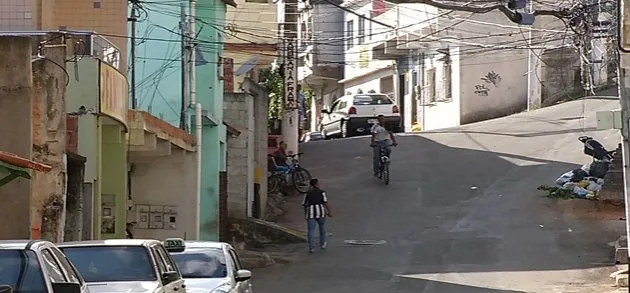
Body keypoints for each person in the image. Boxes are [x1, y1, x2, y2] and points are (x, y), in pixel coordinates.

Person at [302, 178, 332, 253]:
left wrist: (305, 214)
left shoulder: (307, 193)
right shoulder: (322, 192)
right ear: (317, 184)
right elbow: (325, 203)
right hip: (321, 212)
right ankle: (323, 243)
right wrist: (329, 212)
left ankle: (311, 247)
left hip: (310, 212)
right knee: (322, 227)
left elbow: (304, 204)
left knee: (311, 230)